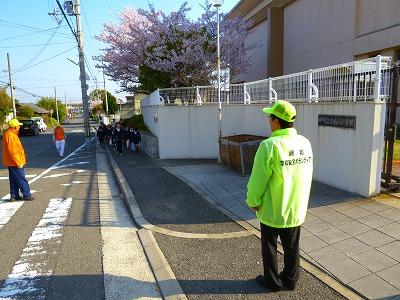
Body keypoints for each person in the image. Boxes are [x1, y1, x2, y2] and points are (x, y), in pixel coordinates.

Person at [246, 100, 313, 291]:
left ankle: (272, 281)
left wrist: (253, 201)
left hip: (273, 208)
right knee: (292, 246)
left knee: (269, 246)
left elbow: (257, 180)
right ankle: (291, 280)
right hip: (296, 207)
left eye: (270, 117)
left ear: (276, 121)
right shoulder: (304, 143)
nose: (269, 121)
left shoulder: (269, 146)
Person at [2, 118, 33, 201]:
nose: (19, 127)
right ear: (15, 127)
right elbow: (13, 151)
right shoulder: (11, 136)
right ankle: (27, 195)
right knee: (21, 178)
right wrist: (19, 162)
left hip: (11, 162)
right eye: (18, 126)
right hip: (15, 162)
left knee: (13, 179)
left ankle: (14, 195)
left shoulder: (9, 134)